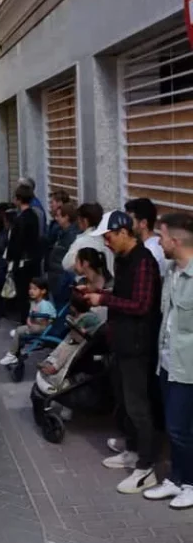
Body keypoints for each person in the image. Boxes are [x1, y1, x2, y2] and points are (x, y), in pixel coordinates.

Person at [82, 210, 162, 494]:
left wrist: (104, 298)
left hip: (138, 347)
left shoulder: (144, 262)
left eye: (108, 237)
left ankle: (146, 467)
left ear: (124, 232)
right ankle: (131, 449)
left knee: (139, 407)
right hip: (121, 342)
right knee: (125, 402)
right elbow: (123, 295)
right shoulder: (124, 259)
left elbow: (141, 305)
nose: (106, 243)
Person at [143, 213, 193, 507]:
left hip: (187, 368)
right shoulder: (172, 272)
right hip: (167, 362)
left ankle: (189, 482)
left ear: (175, 240)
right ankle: (176, 479)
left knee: (180, 428)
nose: (158, 242)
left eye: (161, 237)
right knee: (174, 427)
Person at [40, 248, 111, 377]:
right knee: (72, 335)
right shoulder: (82, 282)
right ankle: (53, 360)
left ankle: (56, 365)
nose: (74, 264)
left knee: (75, 339)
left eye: (77, 261)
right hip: (83, 323)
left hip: (99, 328)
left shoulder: (107, 284)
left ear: (85, 263)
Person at [0, 278, 56, 367]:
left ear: (43, 291)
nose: (31, 291)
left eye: (34, 289)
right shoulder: (34, 302)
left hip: (44, 328)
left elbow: (44, 321)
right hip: (35, 325)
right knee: (21, 330)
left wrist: (31, 322)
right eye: (30, 289)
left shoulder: (44, 304)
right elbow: (30, 317)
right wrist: (30, 321)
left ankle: (11, 355)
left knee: (19, 330)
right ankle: (20, 334)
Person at [6, 183, 42, 320]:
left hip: (22, 262)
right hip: (32, 260)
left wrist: (11, 259)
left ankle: (24, 321)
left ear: (19, 199)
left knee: (23, 294)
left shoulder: (20, 219)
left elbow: (17, 243)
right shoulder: (33, 216)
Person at [62, 202, 110, 274]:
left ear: (85, 221)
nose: (77, 222)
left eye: (79, 219)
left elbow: (66, 264)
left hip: (86, 280)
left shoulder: (82, 241)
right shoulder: (106, 239)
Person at [46, 202, 79, 305]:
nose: (56, 218)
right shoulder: (60, 232)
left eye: (59, 216)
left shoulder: (71, 236)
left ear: (67, 217)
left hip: (61, 276)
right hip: (55, 274)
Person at [125, 198, 167, 276]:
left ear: (143, 223)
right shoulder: (146, 246)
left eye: (129, 221)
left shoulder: (151, 251)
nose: (126, 226)